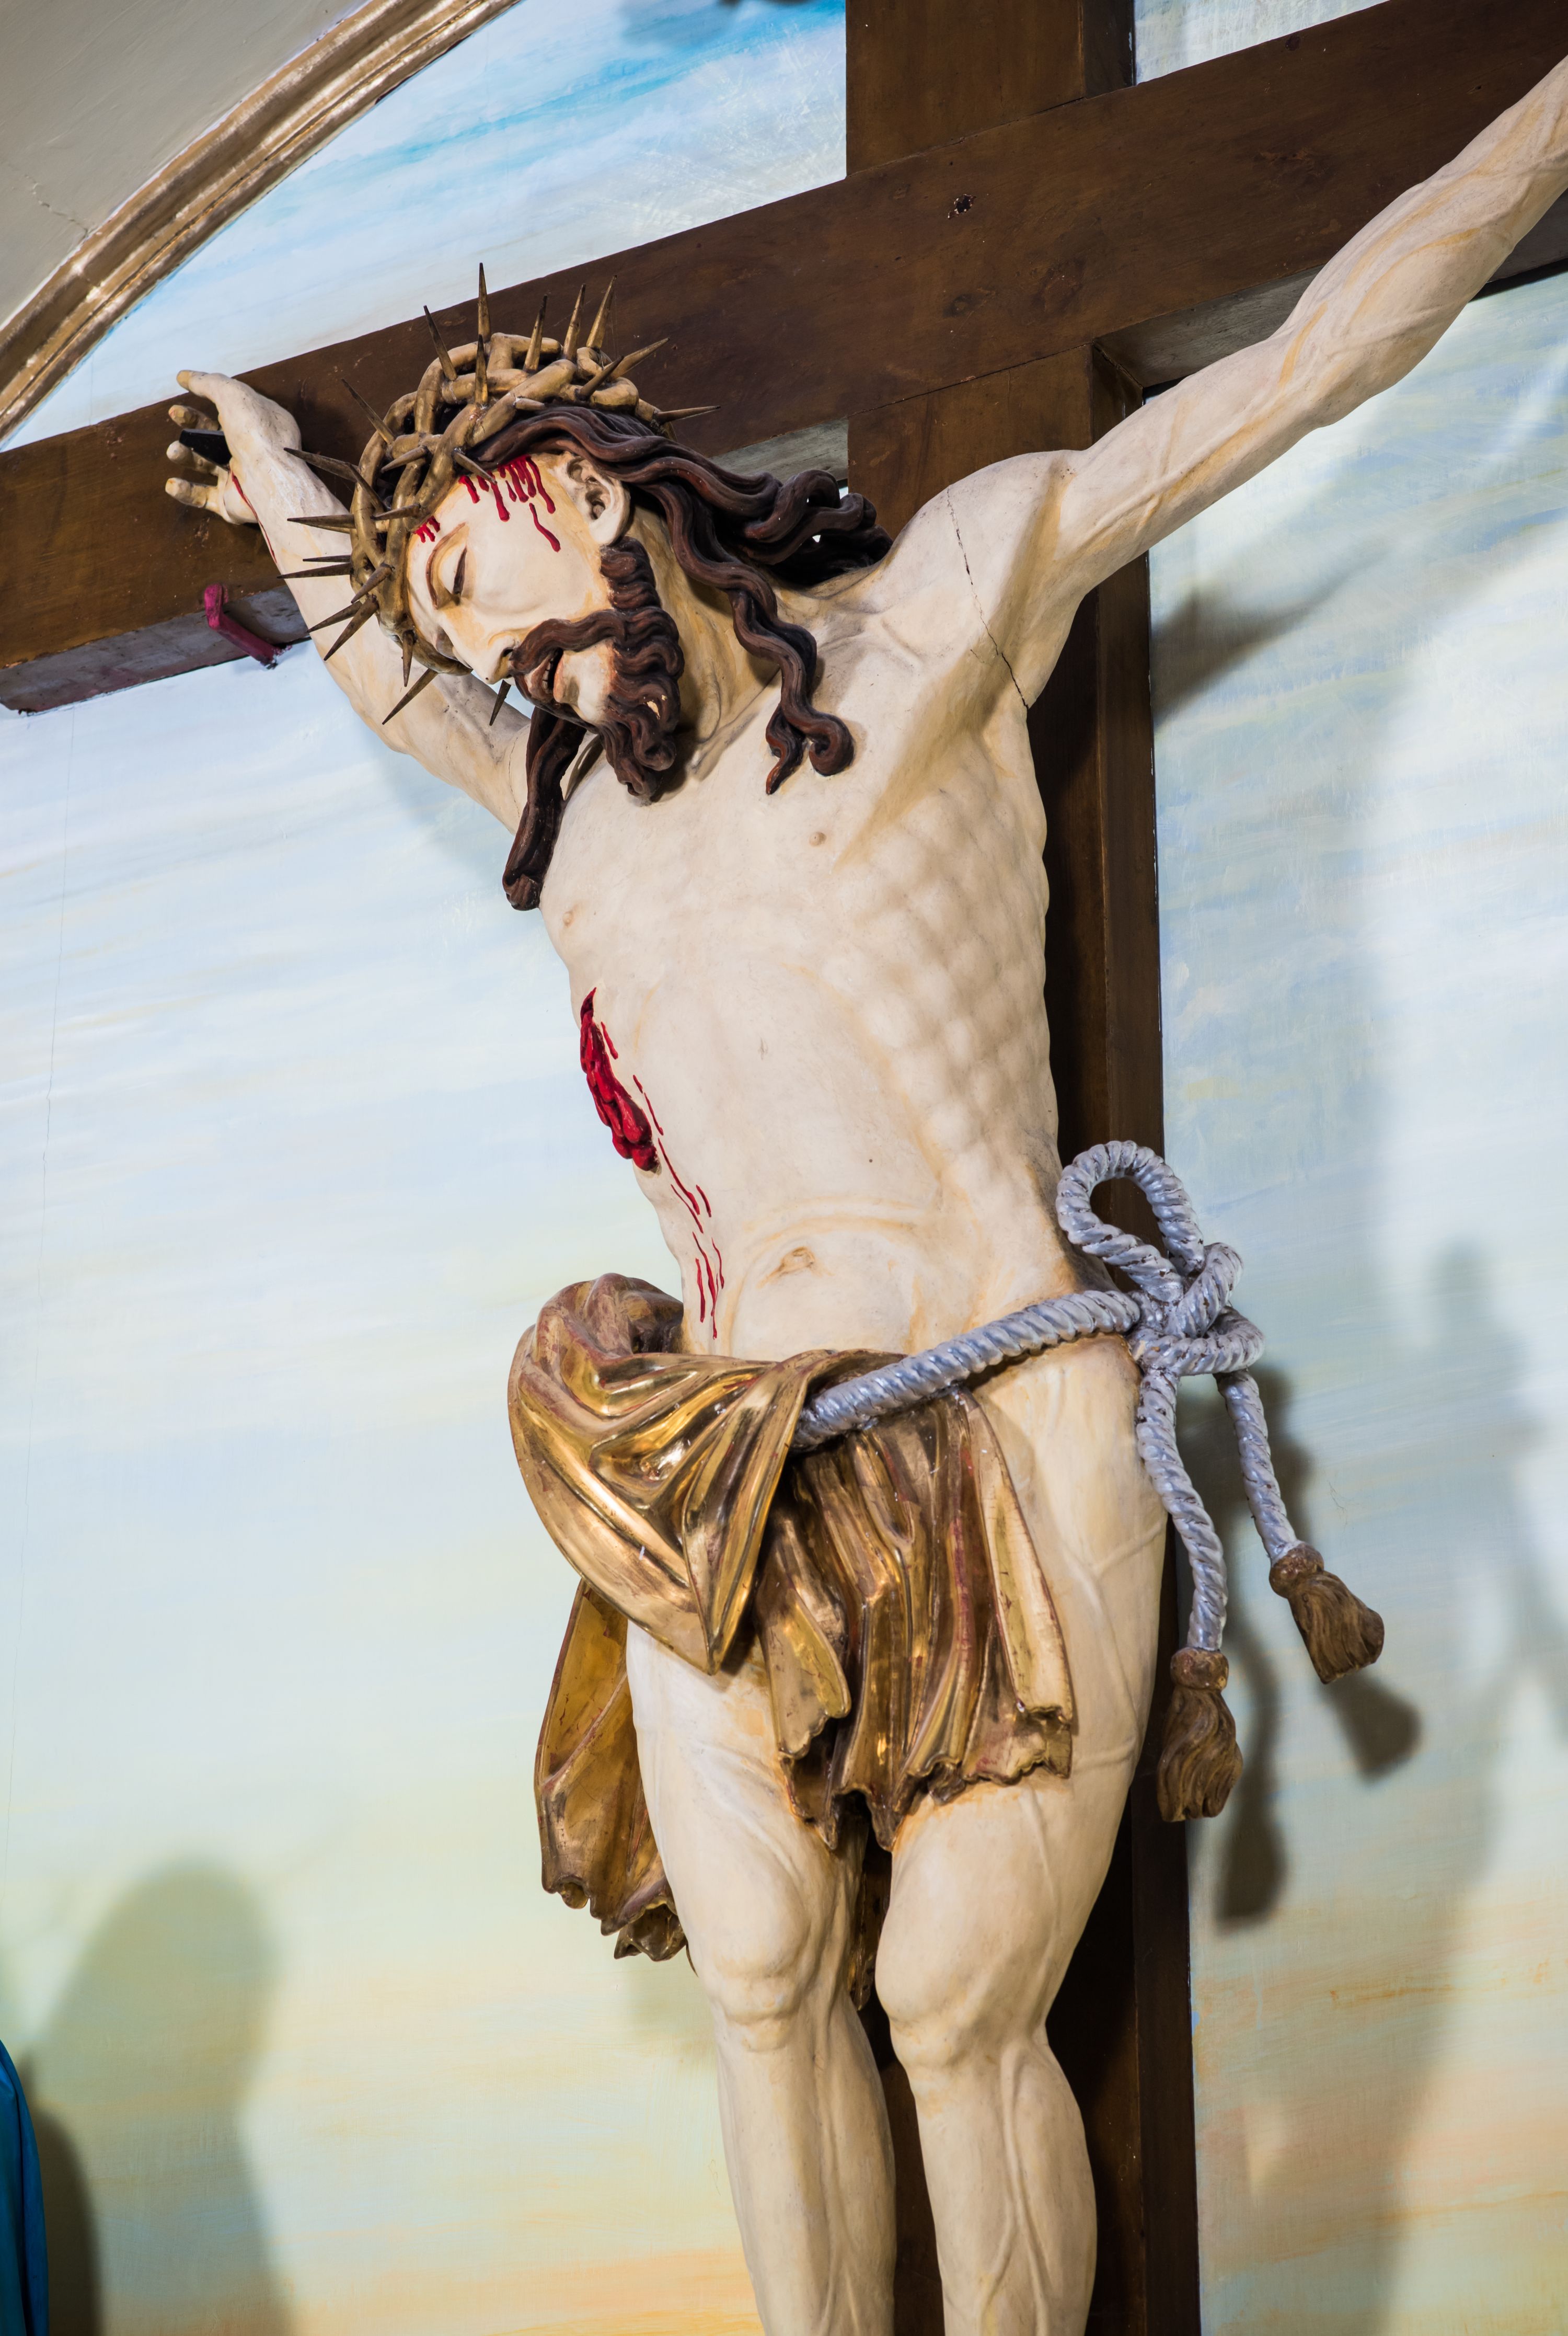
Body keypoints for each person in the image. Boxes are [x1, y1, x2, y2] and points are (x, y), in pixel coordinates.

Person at [166, 55, 1568, 2336]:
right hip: (728, 1457)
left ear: (580, 489)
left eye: (487, 580)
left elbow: (1314, 358)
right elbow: (379, 687)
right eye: (460, 634)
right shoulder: (573, 835)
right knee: (760, 1975)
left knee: (952, 2002)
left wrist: (1546, 132)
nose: (495, 660)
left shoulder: (940, 620)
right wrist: (273, 468)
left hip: (1008, 1395)